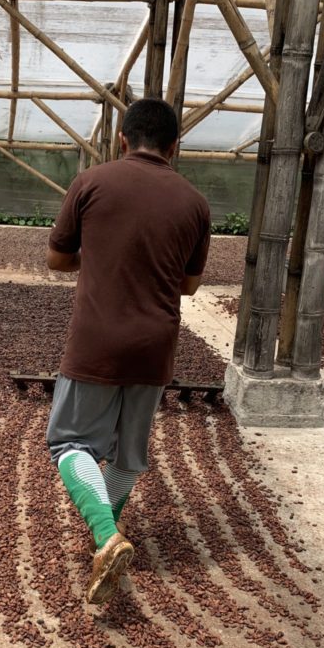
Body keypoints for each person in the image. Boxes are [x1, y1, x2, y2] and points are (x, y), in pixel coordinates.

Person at [45, 97, 211, 605]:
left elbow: (57, 259)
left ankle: (106, 536)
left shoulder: (92, 183)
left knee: (70, 443)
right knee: (127, 455)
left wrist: (98, 262)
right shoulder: (195, 203)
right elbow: (189, 287)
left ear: (123, 138)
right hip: (154, 345)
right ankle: (105, 539)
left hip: (97, 339)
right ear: (174, 146)